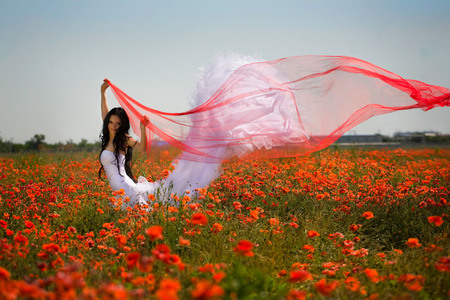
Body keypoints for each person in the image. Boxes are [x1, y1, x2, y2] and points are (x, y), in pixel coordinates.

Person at [99, 81, 156, 209]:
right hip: (118, 191)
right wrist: (102, 92)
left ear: (122, 125)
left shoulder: (123, 139)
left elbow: (142, 148)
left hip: (126, 188)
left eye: (118, 124)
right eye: (111, 122)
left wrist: (143, 128)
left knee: (140, 215)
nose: (114, 126)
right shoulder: (108, 135)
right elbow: (104, 113)